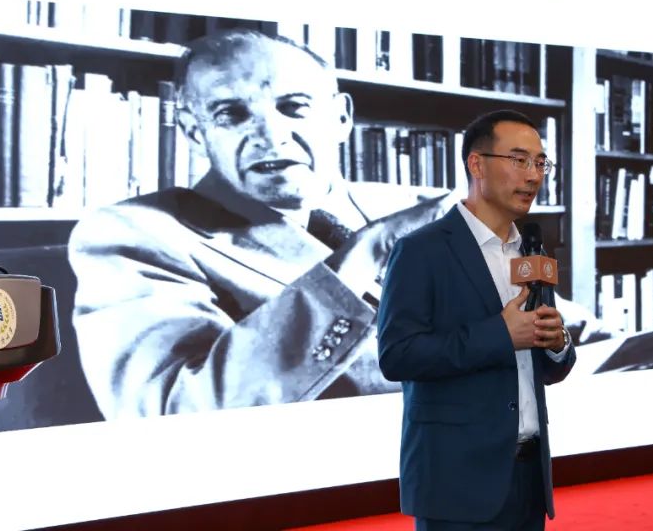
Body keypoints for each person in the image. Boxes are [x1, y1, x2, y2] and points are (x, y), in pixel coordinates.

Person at [68, 29, 456, 419]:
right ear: (194, 133)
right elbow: (172, 413)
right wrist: (364, 256)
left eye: (294, 107)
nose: (270, 136)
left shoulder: (417, 206)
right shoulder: (133, 234)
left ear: (341, 118)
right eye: (231, 114)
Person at [377, 109, 577, 530]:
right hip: (456, 482)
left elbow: (543, 367)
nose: (533, 176)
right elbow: (397, 355)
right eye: (519, 160)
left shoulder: (531, 252)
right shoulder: (421, 250)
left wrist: (557, 343)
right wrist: (500, 334)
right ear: (477, 164)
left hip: (528, 476)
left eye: (540, 163)